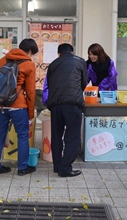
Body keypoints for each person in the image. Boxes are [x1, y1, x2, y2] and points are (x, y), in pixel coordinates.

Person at [0, 38, 38, 176]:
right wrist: (30, 113)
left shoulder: (2, 60)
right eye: (32, 53)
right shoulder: (28, 64)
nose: (32, 56)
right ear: (29, 51)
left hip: (1, 105)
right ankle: (22, 167)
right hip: (18, 106)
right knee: (22, 135)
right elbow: (30, 91)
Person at [45, 43, 87, 177]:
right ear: (72, 51)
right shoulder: (80, 62)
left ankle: (57, 166)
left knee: (56, 136)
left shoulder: (53, 64)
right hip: (73, 104)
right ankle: (65, 168)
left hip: (56, 104)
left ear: (59, 54)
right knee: (72, 137)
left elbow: (50, 84)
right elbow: (83, 83)